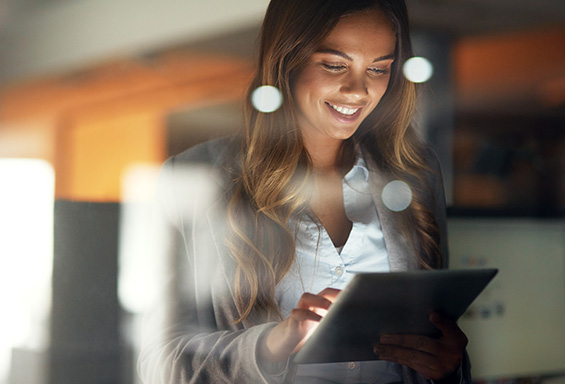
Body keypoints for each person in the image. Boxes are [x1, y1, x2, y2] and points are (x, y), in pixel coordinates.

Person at [139, 0, 470, 383]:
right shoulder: (200, 177)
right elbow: (158, 362)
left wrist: (449, 367)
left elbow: (440, 345)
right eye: (334, 65)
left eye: (379, 69)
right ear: (286, 60)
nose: (358, 91)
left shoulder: (415, 173)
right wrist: (271, 345)